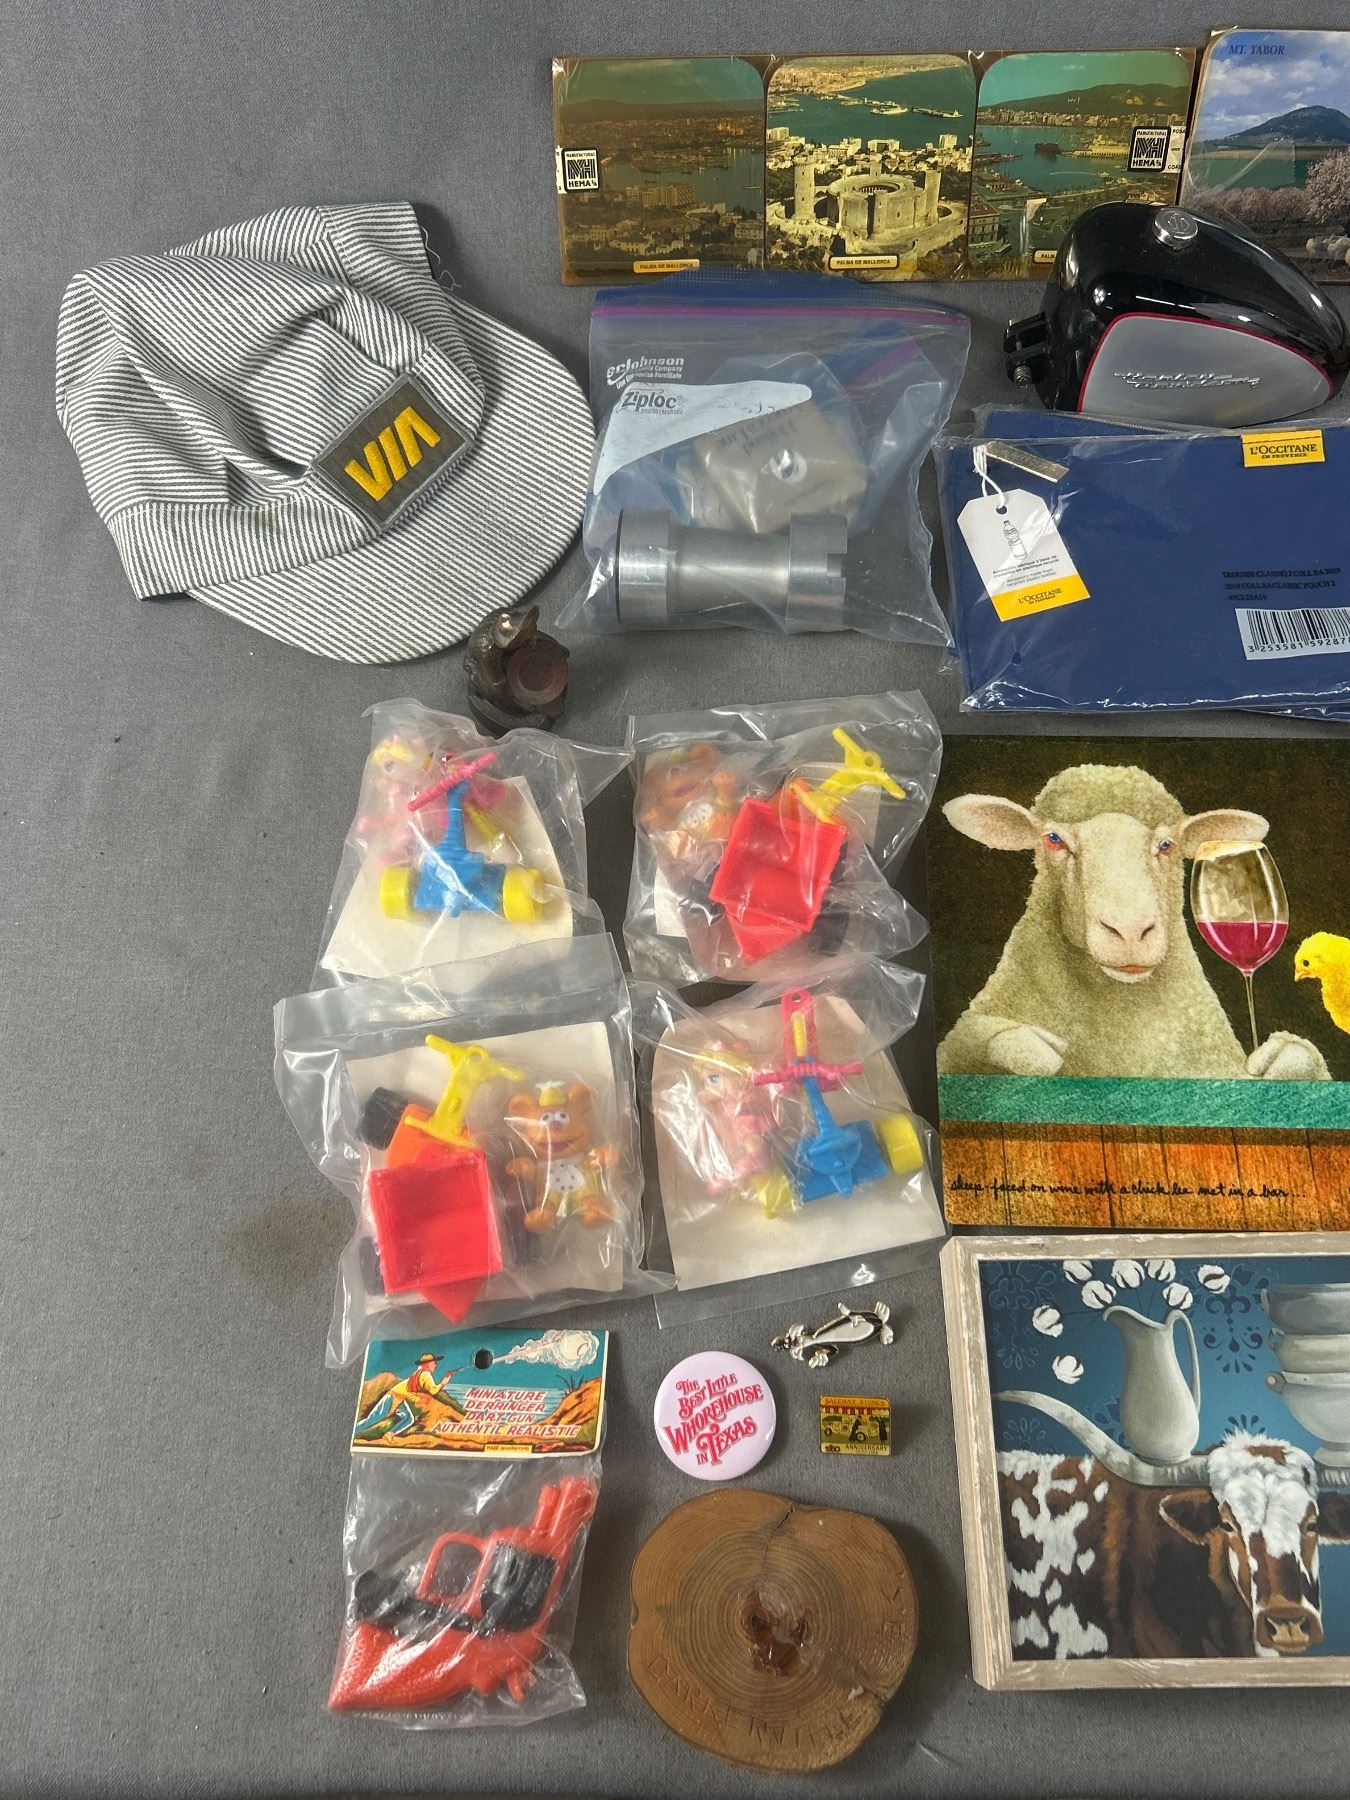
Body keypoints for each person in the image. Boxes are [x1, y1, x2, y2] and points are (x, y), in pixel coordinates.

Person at [353, 1352, 453, 1440]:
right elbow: (433, 1390)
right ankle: (353, 1431)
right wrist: (444, 1382)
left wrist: (417, 1399)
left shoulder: (419, 1372)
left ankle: (389, 1435)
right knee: (372, 1420)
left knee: (408, 1418)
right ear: (427, 1364)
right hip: (393, 1397)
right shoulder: (426, 1374)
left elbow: (409, 1391)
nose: (436, 1365)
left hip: (399, 1398)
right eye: (433, 1362)